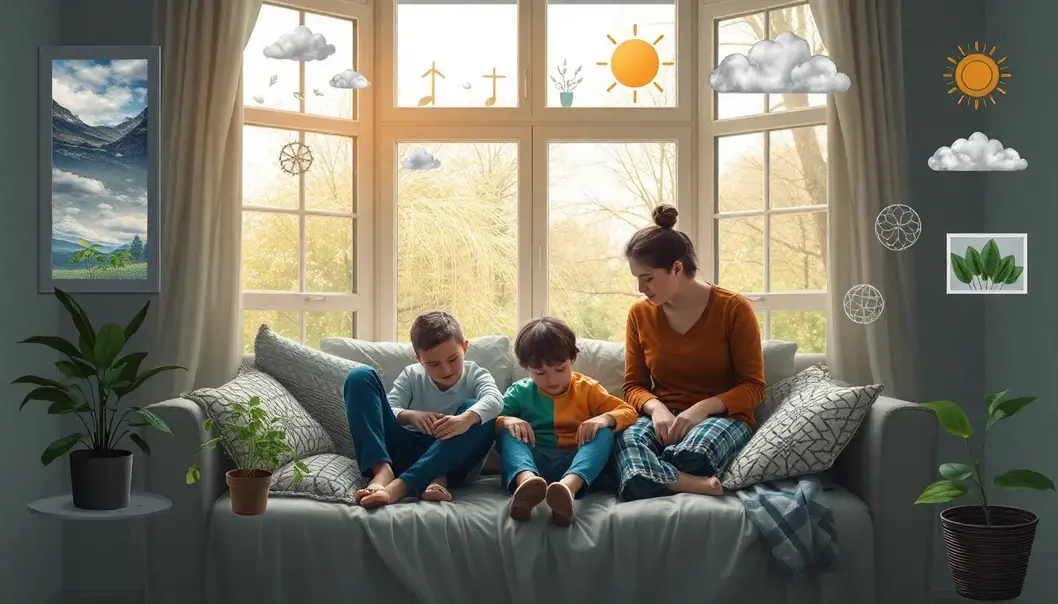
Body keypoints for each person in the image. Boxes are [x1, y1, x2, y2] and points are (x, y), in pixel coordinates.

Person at [615, 204, 765, 501]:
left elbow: (754, 387)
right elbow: (633, 386)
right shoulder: (639, 314)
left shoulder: (733, 308)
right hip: (663, 419)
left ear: (677, 268)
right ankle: (692, 483)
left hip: (722, 419)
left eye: (648, 278)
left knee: (693, 454)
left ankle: (646, 475)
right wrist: (656, 409)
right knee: (625, 441)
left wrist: (702, 408)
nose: (640, 287)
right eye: (637, 278)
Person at [343, 311, 503, 509]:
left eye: (453, 359)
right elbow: (387, 411)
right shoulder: (411, 375)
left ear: (464, 347)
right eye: (433, 364)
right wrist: (411, 416)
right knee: (359, 376)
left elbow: (495, 400)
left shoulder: (476, 374)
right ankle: (382, 471)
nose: (446, 370)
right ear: (419, 359)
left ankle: (406, 485)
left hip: (454, 460)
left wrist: (465, 420)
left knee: (482, 414)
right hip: (407, 452)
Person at [496, 316, 639, 526]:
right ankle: (526, 485)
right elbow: (491, 420)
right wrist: (507, 420)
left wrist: (603, 418)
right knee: (507, 431)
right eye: (540, 372)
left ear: (573, 358)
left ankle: (567, 490)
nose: (551, 379)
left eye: (560, 369)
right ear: (524, 367)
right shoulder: (519, 392)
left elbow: (629, 411)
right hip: (533, 463)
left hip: (576, 464)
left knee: (604, 432)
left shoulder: (588, 389)